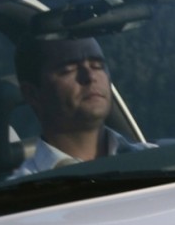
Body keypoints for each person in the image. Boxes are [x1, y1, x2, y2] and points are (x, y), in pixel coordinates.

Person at [10, 36, 149, 176]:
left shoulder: (153, 161)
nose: (90, 76)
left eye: (97, 66)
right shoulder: (25, 186)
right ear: (32, 94)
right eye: (68, 70)